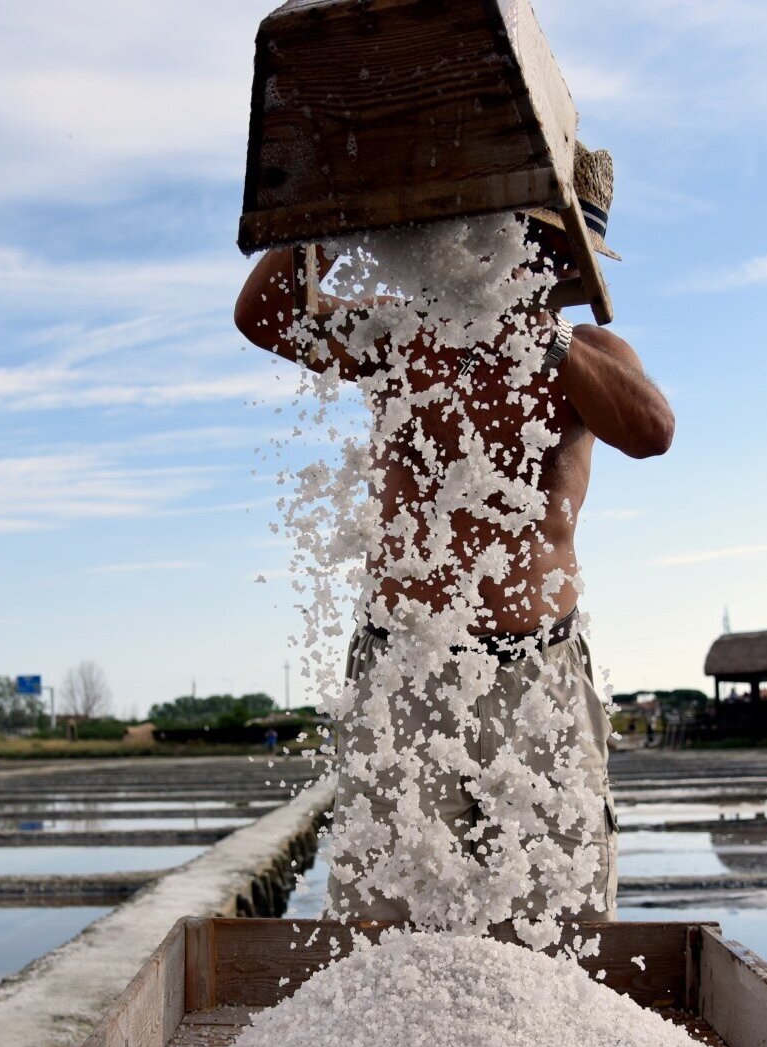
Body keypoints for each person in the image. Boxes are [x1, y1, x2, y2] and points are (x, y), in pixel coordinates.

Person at [233, 144, 674, 925]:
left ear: (558, 255)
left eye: (539, 245)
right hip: (405, 662)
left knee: (557, 913)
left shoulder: (585, 354)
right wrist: (344, 208)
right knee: (385, 916)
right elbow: (266, 316)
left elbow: (652, 430)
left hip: (537, 667)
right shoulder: (403, 338)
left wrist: (546, 338)